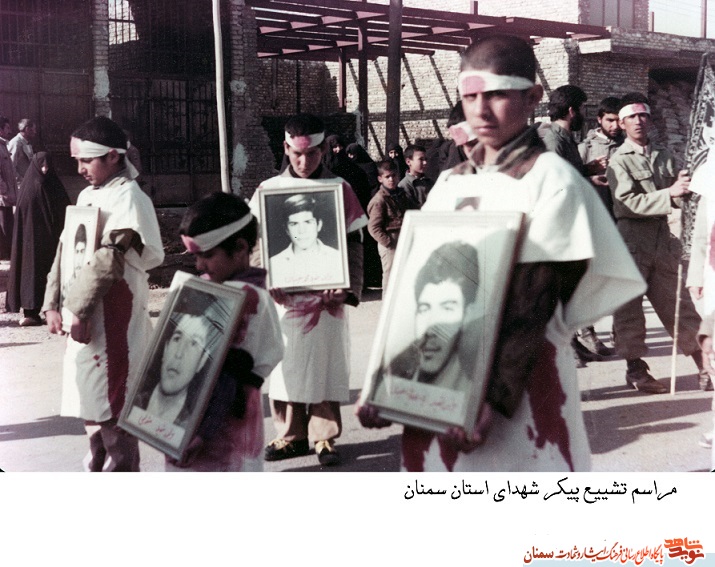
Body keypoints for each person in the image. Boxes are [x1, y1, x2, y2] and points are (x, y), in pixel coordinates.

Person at [358, 34, 646, 472]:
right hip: (442, 383)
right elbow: (416, 294)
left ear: (532, 97)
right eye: (470, 96)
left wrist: (491, 397)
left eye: (496, 94)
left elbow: (536, 298)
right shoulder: (451, 183)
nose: (481, 110)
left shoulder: (551, 180)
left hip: (519, 385)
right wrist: (390, 382)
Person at [42, 116, 164, 472]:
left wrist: (77, 310)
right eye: (77, 160)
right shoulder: (87, 194)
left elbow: (110, 258)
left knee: (113, 403)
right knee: (89, 401)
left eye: (87, 161)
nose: (80, 168)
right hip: (82, 313)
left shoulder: (129, 198)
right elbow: (65, 251)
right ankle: (97, 466)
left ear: (112, 156)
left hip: (113, 316)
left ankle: (121, 473)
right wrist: (52, 303)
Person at [250, 113, 368, 466]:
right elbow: (256, 242)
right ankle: (290, 435)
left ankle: (324, 436)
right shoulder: (268, 190)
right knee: (286, 367)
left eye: (312, 154)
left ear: (324, 150)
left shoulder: (340, 189)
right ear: (286, 149)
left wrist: (347, 288)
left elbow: (356, 244)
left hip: (327, 302)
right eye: (297, 154)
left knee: (324, 365)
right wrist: (265, 278)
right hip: (284, 301)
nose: (304, 162)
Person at [163, 193, 284, 471]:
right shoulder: (210, 288)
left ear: (240, 247)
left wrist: (201, 433)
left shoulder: (246, 299)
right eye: (195, 256)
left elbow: (230, 376)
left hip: (219, 429)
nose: (199, 266)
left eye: (207, 256)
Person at [607, 93, 712, 393]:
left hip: (662, 240)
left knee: (678, 305)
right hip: (631, 241)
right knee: (628, 310)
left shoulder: (663, 155)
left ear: (650, 120)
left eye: (643, 115)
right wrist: (669, 194)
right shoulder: (619, 161)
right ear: (622, 124)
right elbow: (626, 203)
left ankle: (705, 366)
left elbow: (676, 197)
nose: (638, 121)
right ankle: (636, 371)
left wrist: (685, 189)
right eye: (631, 117)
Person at [539, 85, 614, 364]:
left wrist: (587, 170)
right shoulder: (551, 138)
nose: (584, 113)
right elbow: (554, 182)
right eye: (582, 108)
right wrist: (586, 178)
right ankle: (565, 349)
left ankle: (573, 344)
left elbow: (568, 173)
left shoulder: (565, 137)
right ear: (572, 110)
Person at [383, 241, 479, 393]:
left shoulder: (476, 387)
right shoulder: (392, 375)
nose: (430, 330)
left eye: (447, 308)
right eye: (424, 309)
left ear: (467, 314)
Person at [6, 152, 70, 326]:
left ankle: (56, 310)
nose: (44, 169)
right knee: (31, 274)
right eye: (41, 166)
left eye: (47, 166)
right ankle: (31, 312)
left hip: (52, 241)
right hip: (31, 242)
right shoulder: (28, 189)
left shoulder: (54, 186)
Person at [269, 193, 344, 288]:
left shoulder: (337, 258)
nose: (302, 231)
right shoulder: (273, 264)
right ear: (287, 229)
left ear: (319, 225)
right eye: (294, 224)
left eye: (308, 222)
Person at [366, 159, 414, 292]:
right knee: (391, 276)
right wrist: (388, 242)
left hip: (403, 238)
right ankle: (387, 302)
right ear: (380, 179)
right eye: (387, 177)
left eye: (394, 175)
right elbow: (373, 227)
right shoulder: (379, 200)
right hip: (389, 242)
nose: (391, 179)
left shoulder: (401, 194)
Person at [0, 115, 17, 261]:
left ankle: (8, 253)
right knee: (4, 225)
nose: (9, 131)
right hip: (2, 197)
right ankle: (5, 255)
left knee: (8, 224)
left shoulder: (4, 145)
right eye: (7, 128)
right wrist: (4, 191)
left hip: (8, 195)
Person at [398, 144, 433, 209]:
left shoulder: (430, 182)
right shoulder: (404, 186)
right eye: (421, 159)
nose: (425, 162)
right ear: (408, 162)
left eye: (425, 159)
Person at [8, 118, 36, 185]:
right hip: (20, 185)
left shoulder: (26, 142)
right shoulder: (16, 143)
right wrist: (21, 180)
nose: (35, 132)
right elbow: (10, 166)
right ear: (27, 129)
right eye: (34, 129)